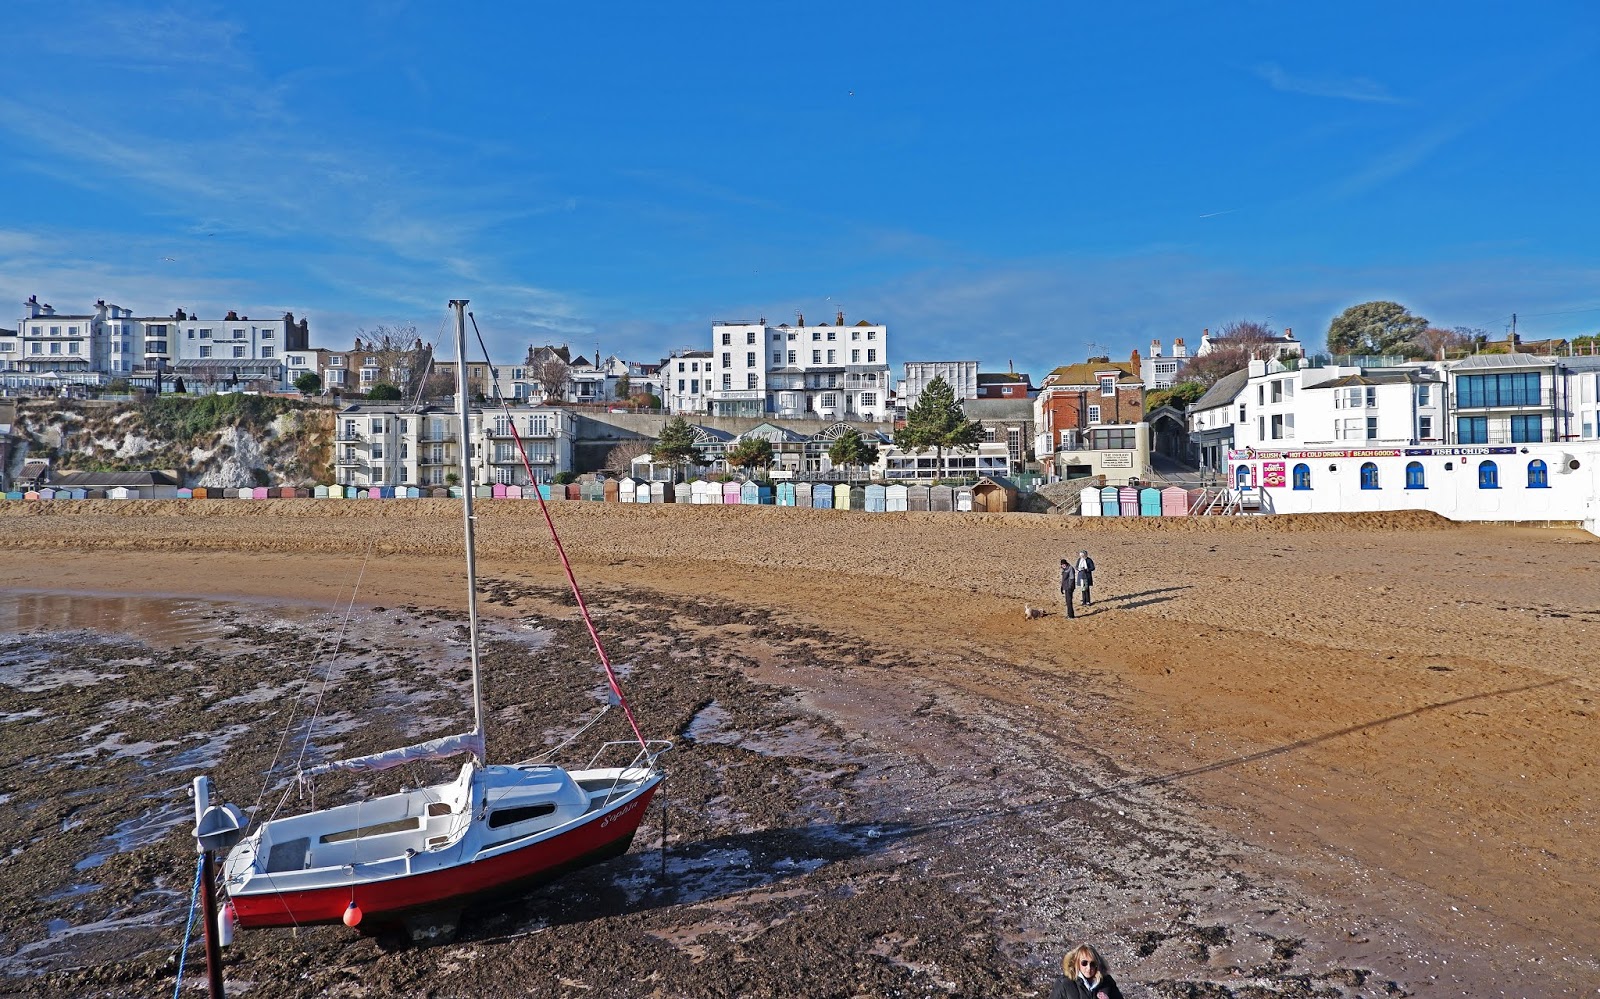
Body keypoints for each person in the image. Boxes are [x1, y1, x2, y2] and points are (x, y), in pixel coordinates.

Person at [1048, 943, 1124, 999]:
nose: (1089, 967)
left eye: (1093, 964)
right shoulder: (1064, 984)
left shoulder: (1107, 982)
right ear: (1076, 962)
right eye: (1084, 963)